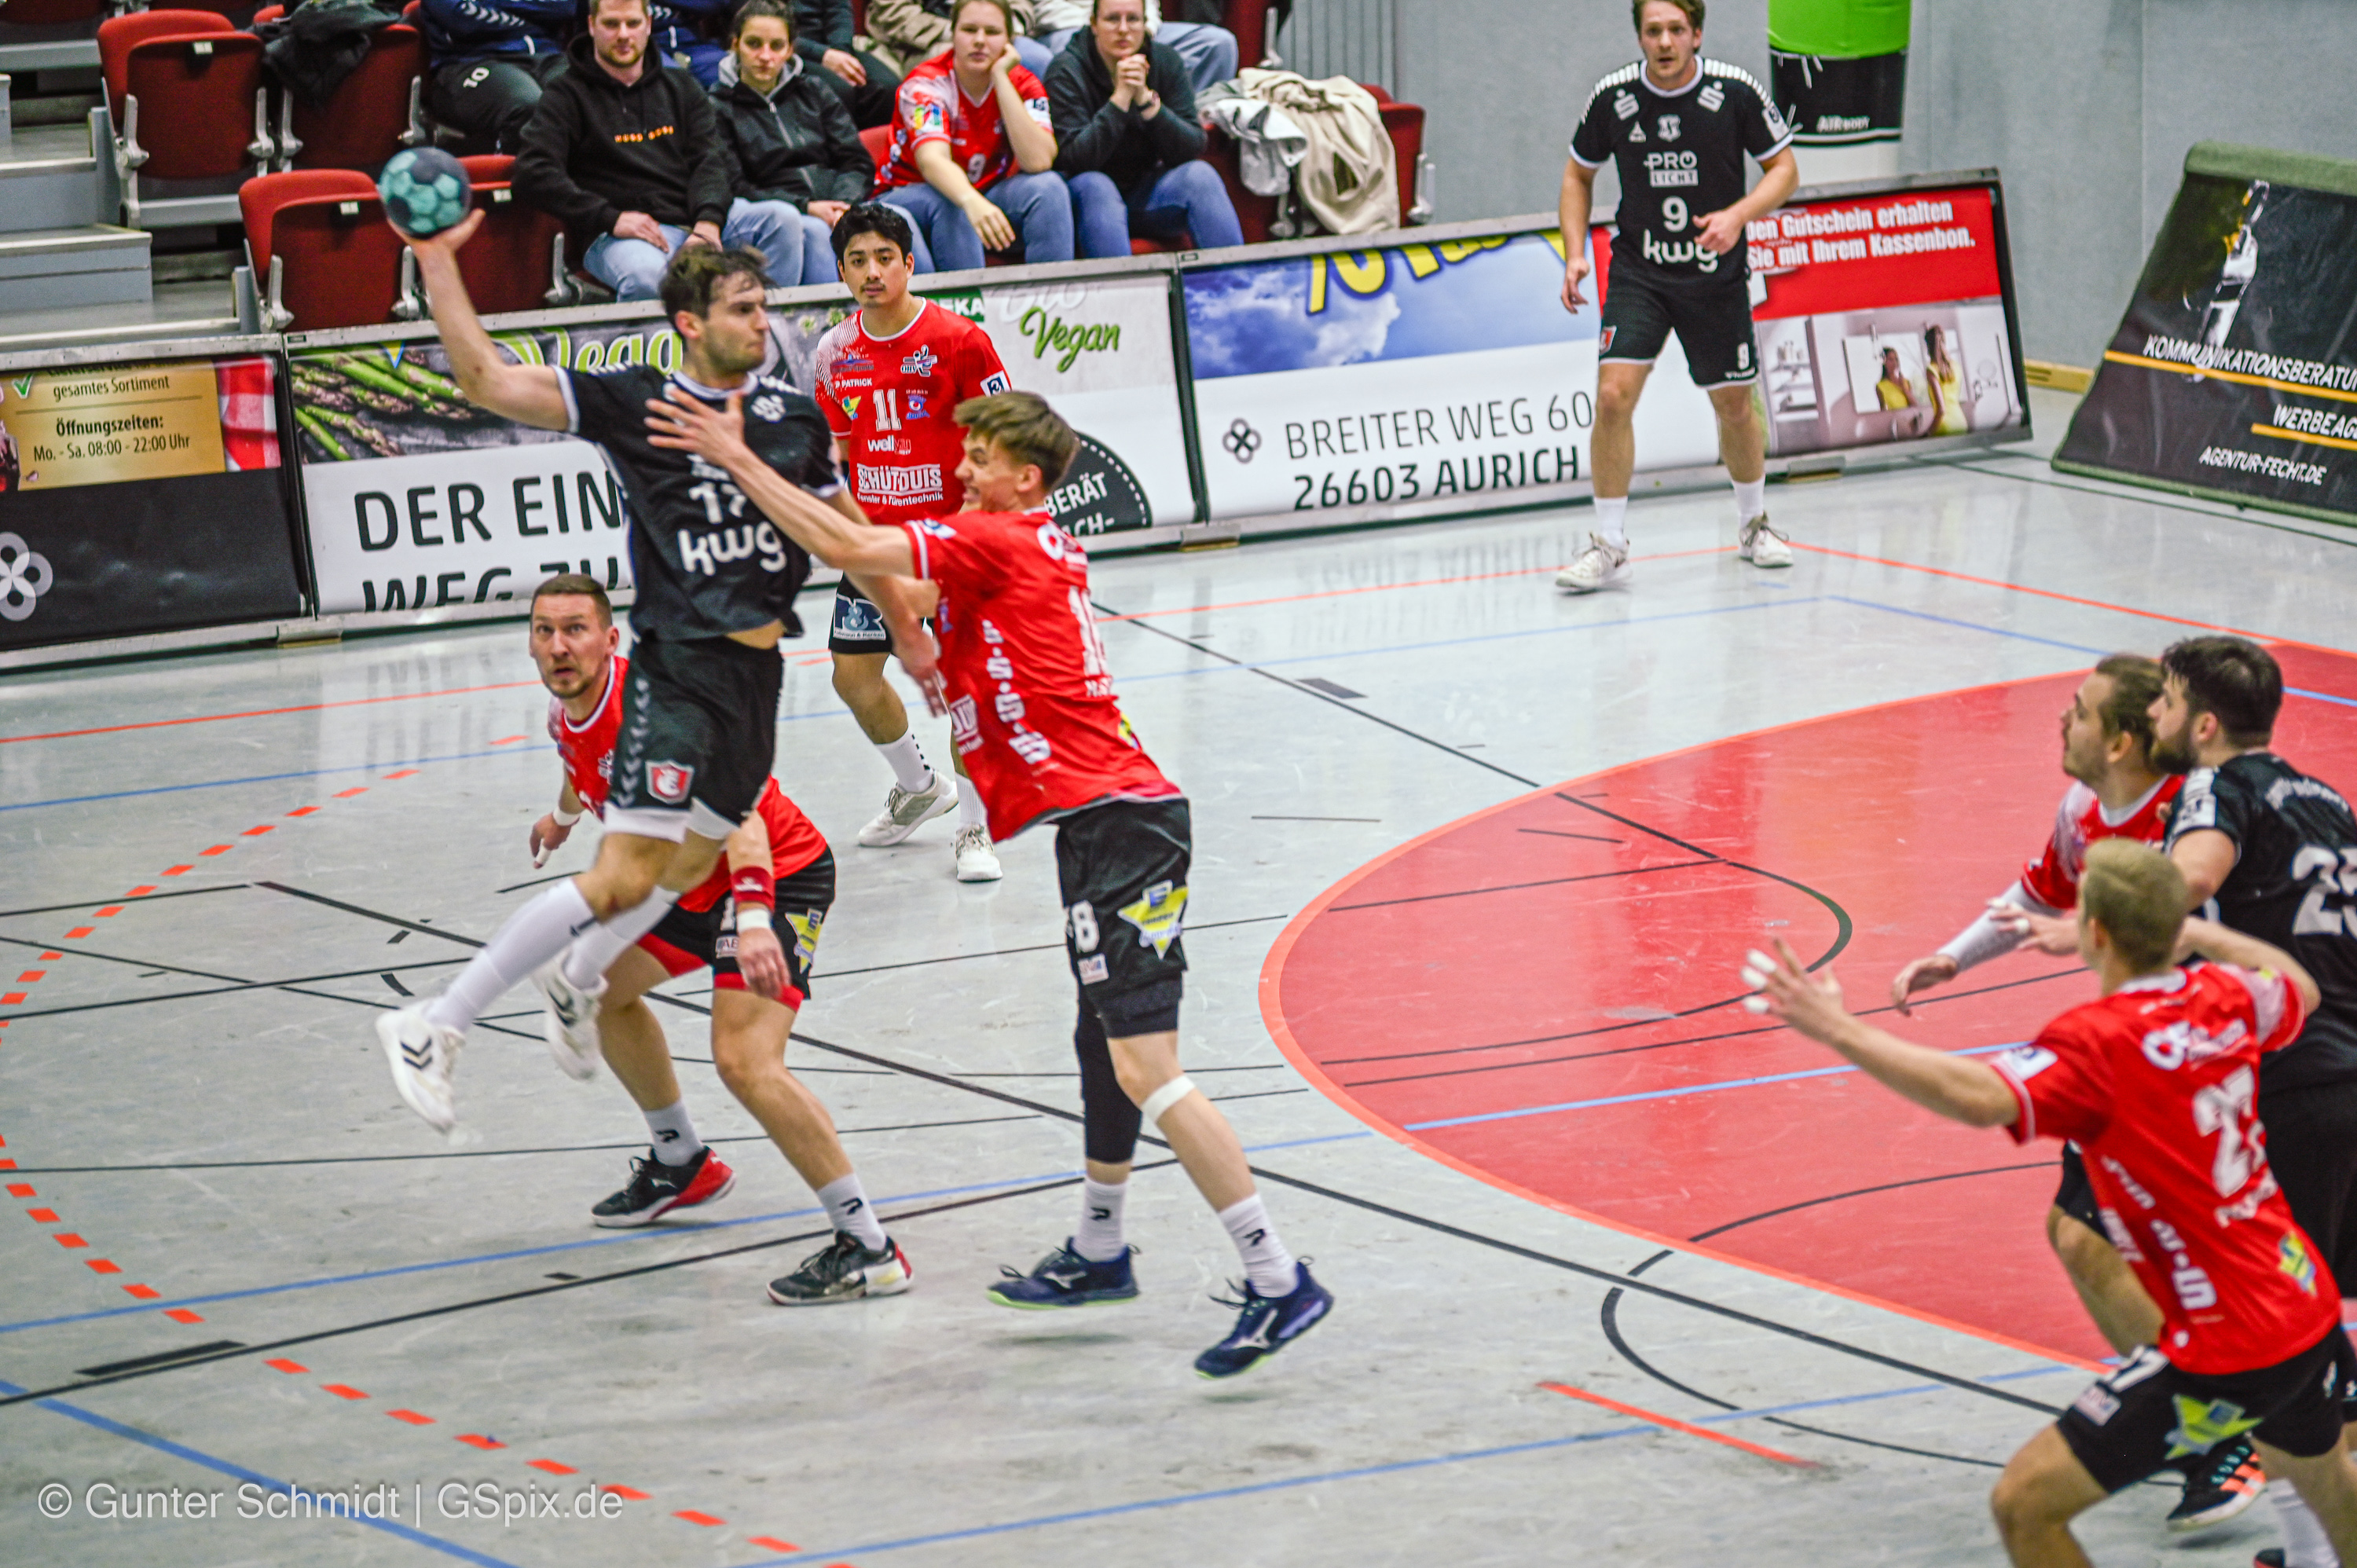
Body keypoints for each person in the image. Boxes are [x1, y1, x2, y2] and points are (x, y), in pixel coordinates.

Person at [645, 387, 1336, 1379]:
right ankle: (1101, 1248)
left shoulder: (1000, 538)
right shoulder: (1017, 546)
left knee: (1149, 1066)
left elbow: (851, 550)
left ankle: (1278, 1276)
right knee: (1099, 1043)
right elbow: (897, 586)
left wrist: (741, 459)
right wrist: (865, 544)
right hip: (1103, 826)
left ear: (1027, 478)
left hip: (1124, 828)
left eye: (979, 458)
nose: (961, 469)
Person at [1748, 840, 2357, 1568]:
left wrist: (1838, 1029)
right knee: (2329, 1484)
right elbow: (2297, 984)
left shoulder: (2100, 1043)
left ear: (2093, 932)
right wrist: (2194, 931)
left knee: (2025, 1505)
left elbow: (1978, 1099)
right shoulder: (2224, 998)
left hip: (2228, 1342)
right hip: (2302, 1299)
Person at [374, 229, 849, 1140]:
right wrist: (436, 260)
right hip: (687, 669)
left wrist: (912, 617)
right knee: (629, 873)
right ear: (689, 322)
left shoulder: (788, 416)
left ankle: (578, 977)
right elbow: (485, 379)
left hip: (753, 683)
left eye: (765, 306)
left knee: (683, 861)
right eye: (744, 308)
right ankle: (440, 1021)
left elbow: (846, 531)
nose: (765, 321)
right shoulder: (636, 401)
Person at [1889, 656, 2265, 1533]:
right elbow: (2038, 890)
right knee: (2084, 1235)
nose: (2063, 723)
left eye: (2080, 712)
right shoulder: (2083, 812)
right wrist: (1953, 957)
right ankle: (2224, 1414)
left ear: (2125, 740)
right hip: (2149, 1056)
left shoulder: (2193, 816)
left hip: (2218, 1056)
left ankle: (2229, 1426)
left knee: (2179, 1249)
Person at [522, 573, 914, 1302]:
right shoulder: (570, 707)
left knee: (744, 1060)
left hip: (773, 874)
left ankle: (868, 1246)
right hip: (683, 884)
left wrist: (756, 920)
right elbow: (586, 764)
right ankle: (681, 1161)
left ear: (611, 639)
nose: (559, 646)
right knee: (597, 988)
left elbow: (745, 823)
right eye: (545, 631)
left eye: (575, 629)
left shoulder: (664, 716)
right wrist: (563, 818)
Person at [2151, 636, 2357, 1568]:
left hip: (2293, 1077)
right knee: (2335, 1313)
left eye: (2164, 700)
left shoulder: (2214, 788)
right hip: (2350, 1067)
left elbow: (2191, 877)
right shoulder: (2327, 799)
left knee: (2278, 1331)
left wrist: (2123, 914)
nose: (2155, 715)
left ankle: (2309, 1550)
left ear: (2203, 723)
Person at [1554, 0, 1798, 594]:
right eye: (1653, 31)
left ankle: (1754, 525)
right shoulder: (1614, 97)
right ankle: (1609, 544)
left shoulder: (1734, 91)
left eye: (1675, 30)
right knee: (1613, 396)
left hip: (1713, 276)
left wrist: (1738, 216)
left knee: (1734, 405)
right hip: (1640, 273)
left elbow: (1785, 170)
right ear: (1640, 37)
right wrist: (1575, 252)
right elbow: (1577, 175)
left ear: (1697, 35)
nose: (1664, 42)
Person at [811, 202, 1013, 879]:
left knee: (966, 688)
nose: (872, 272)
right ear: (842, 272)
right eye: (857, 261)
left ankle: (974, 830)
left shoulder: (960, 340)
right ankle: (921, 787)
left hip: (953, 543)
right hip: (877, 544)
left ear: (908, 263)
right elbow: (837, 452)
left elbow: (1003, 436)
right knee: (853, 677)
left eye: (884, 258)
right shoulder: (834, 351)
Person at [515, 0, 810, 302]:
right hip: (618, 233)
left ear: (648, 24)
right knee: (647, 278)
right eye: (611, 24)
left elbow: (711, 162)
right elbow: (532, 174)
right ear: (591, 26)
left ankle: (762, 327)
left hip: (695, 219)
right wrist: (610, 218)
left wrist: (708, 223)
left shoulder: (682, 86)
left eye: (633, 23)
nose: (623, 34)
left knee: (782, 220)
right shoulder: (564, 94)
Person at [874, 0, 1073, 273]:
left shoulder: (1023, 83)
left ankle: (1051, 297)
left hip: (984, 192)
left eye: (992, 32)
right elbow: (932, 160)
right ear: (953, 35)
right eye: (969, 30)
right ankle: (968, 302)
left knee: (1048, 188)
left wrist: (1001, 79)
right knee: (952, 202)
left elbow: (1038, 161)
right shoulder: (925, 84)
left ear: (1009, 41)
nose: (980, 41)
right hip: (906, 198)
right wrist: (970, 200)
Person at [1047, 0, 1241, 260]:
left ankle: (1235, 281)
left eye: (1133, 19)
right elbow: (1073, 159)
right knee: (1097, 186)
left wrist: (1148, 104)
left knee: (1199, 176)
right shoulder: (1066, 70)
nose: (1123, 29)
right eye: (1112, 19)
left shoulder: (1165, 61)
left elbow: (1192, 146)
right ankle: (1121, 287)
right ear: (1094, 25)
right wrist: (1119, 101)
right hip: (1085, 197)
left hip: (1144, 194)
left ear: (1145, 24)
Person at [709, 0, 875, 287]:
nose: (765, 56)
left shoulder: (814, 90)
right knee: (816, 232)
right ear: (735, 45)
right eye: (754, 44)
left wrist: (843, 205)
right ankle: (827, 316)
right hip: (779, 212)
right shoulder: (718, 106)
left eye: (776, 46)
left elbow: (856, 160)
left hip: (835, 203)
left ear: (789, 50)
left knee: (897, 219)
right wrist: (808, 207)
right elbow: (737, 186)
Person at [419, 0, 575, 154]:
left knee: (581, 95)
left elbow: (564, 7)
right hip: (470, 61)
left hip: (547, 56)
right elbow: (462, 21)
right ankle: (521, 170)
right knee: (527, 104)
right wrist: (533, 17)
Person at [1032, 0, 1234, 100]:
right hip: (1068, 27)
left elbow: (1148, 6)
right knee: (1066, 54)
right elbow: (1047, 7)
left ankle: (1182, 123)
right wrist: (1102, 29)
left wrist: (1143, 31)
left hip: (1133, 24)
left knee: (1217, 44)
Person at [861, 0, 1050, 81]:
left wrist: (1009, 26)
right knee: (970, 61)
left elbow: (1019, 4)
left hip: (992, 31)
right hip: (925, 41)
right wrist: (958, 31)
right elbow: (893, 13)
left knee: (1037, 59)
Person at [790, 0, 906, 127]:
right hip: (792, 51)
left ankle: (872, 140)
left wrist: (841, 52)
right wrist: (822, 54)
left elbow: (839, 9)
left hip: (833, 45)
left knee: (887, 88)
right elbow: (775, 30)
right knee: (840, 91)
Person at [1925, 324, 1967, 435]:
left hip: (1945, 426)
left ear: (1928, 346)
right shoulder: (1956, 366)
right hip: (1960, 422)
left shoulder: (1932, 369)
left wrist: (1928, 433)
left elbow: (1941, 410)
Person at [1874, 344, 1916, 412]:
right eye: (1891, 360)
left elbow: (1915, 406)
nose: (1894, 363)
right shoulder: (1881, 387)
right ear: (1884, 362)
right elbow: (1883, 411)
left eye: (1896, 359)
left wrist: (1904, 389)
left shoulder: (1906, 382)